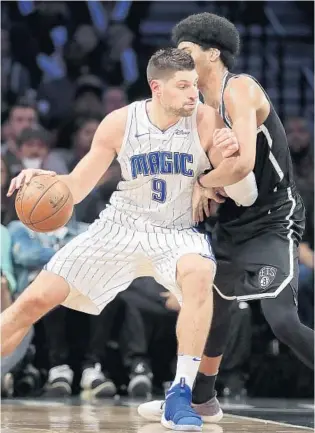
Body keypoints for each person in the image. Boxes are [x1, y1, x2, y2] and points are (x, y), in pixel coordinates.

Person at [2, 48, 239, 431]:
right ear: (156, 88)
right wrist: (44, 180)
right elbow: (76, 186)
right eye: (183, 86)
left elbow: (234, 180)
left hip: (175, 231)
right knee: (32, 301)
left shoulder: (205, 120)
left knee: (199, 274)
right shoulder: (119, 123)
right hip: (119, 226)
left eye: (195, 85)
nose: (193, 93)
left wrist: (222, 167)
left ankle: (180, 393)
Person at [138, 12, 313, 424]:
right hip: (232, 223)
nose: (178, 60)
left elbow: (244, 168)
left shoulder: (241, 89)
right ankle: (201, 399)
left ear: (212, 53)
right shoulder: (194, 107)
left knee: (281, 320)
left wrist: (203, 183)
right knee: (213, 313)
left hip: (273, 219)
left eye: (186, 52)